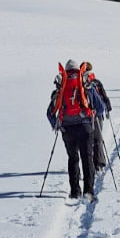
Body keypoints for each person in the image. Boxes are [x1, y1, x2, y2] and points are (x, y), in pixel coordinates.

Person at [47, 59, 106, 200]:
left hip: (67, 129)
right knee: (87, 158)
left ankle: (75, 191)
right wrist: (92, 115)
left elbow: (49, 113)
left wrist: (57, 125)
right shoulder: (85, 86)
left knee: (73, 158)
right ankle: (89, 191)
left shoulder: (61, 87)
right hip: (85, 127)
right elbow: (100, 107)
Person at [84, 62, 112, 173]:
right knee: (98, 138)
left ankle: (90, 163)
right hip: (98, 114)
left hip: (86, 116)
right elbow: (104, 96)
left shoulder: (83, 83)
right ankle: (99, 163)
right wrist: (108, 108)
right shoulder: (96, 82)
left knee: (88, 139)